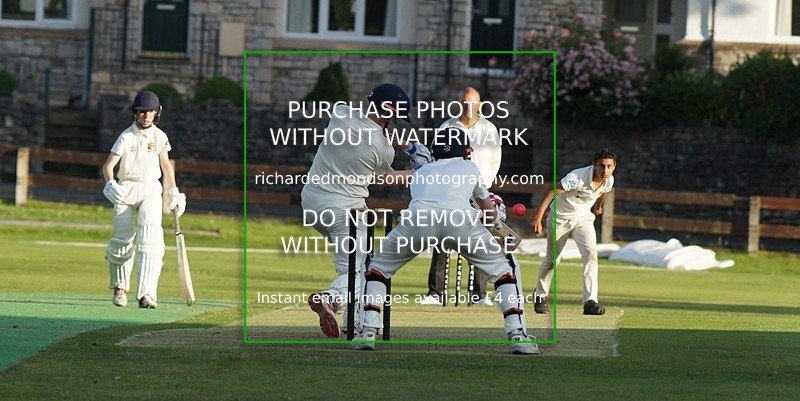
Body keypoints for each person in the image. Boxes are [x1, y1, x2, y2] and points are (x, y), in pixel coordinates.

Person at [353, 127, 538, 354]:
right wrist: (496, 214)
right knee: (505, 271)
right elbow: (490, 215)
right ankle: (517, 334)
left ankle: (369, 330)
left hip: (418, 221)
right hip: (461, 224)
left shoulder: (422, 171)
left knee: (377, 268)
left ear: (433, 151)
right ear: (467, 151)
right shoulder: (470, 167)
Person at [303, 83, 430, 338]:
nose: (396, 121)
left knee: (349, 265)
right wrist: (421, 171)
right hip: (344, 211)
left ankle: (354, 321)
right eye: (396, 115)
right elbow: (386, 178)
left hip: (311, 203)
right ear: (389, 111)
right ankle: (332, 299)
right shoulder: (383, 149)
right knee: (364, 269)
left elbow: (368, 129)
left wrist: (394, 139)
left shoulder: (341, 113)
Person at [102, 90, 186, 309]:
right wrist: (110, 183)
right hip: (126, 188)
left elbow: (166, 165)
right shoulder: (126, 137)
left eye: (150, 112)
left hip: (150, 187)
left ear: (157, 113)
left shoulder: (160, 136)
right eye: (142, 112)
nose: (146, 116)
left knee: (151, 236)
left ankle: (147, 294)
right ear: (135, 113)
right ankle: (120, 288)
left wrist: (174, 191)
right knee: (122, 240)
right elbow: (109, 166)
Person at [420, 87, 501, 306]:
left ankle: (479, 295)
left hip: (479, 192)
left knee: (479, 243)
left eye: (472, 103)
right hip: (450, 191)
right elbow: (434, 156)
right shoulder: (447, 126)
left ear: (480, 105)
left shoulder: (489, 129)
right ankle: (436, 294)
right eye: (464, 102)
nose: (468, 107)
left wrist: (482, 190)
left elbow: (495, 161)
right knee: (442, 240)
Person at [529, 148, 617, 315]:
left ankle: (590, 301)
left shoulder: (609, 180)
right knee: (553, 259)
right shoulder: (576, 178)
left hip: (583, 218)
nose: (605, 171)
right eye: (601, 166)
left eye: (609, 167)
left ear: (614, 167)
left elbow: (603, 192)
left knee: (591, 254)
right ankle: (540, 295)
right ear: (594, 165)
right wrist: (537, 218)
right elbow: (552, 192)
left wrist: (598, 207)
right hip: (559, 218)